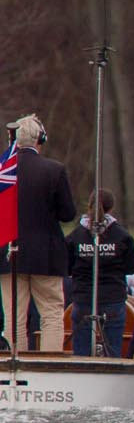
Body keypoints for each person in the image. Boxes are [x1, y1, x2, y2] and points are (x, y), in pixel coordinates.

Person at [1, 113, 80, 353]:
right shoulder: (54, 170)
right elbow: (67, 213)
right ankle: (50, 363)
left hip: (8, 251)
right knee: (51, 313)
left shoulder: (3, 170)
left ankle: (15, 363)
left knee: (13, 317)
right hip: (46, 255)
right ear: (40, 139)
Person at [65, 190, 134, 357]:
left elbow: (67, 266)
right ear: (111, 208)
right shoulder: (122, 236)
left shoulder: (75, 236)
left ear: (89, 206)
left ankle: (81, 373)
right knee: (112, 351)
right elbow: (132, 267)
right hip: (113, 299)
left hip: (83, 298)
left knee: (81, 353)